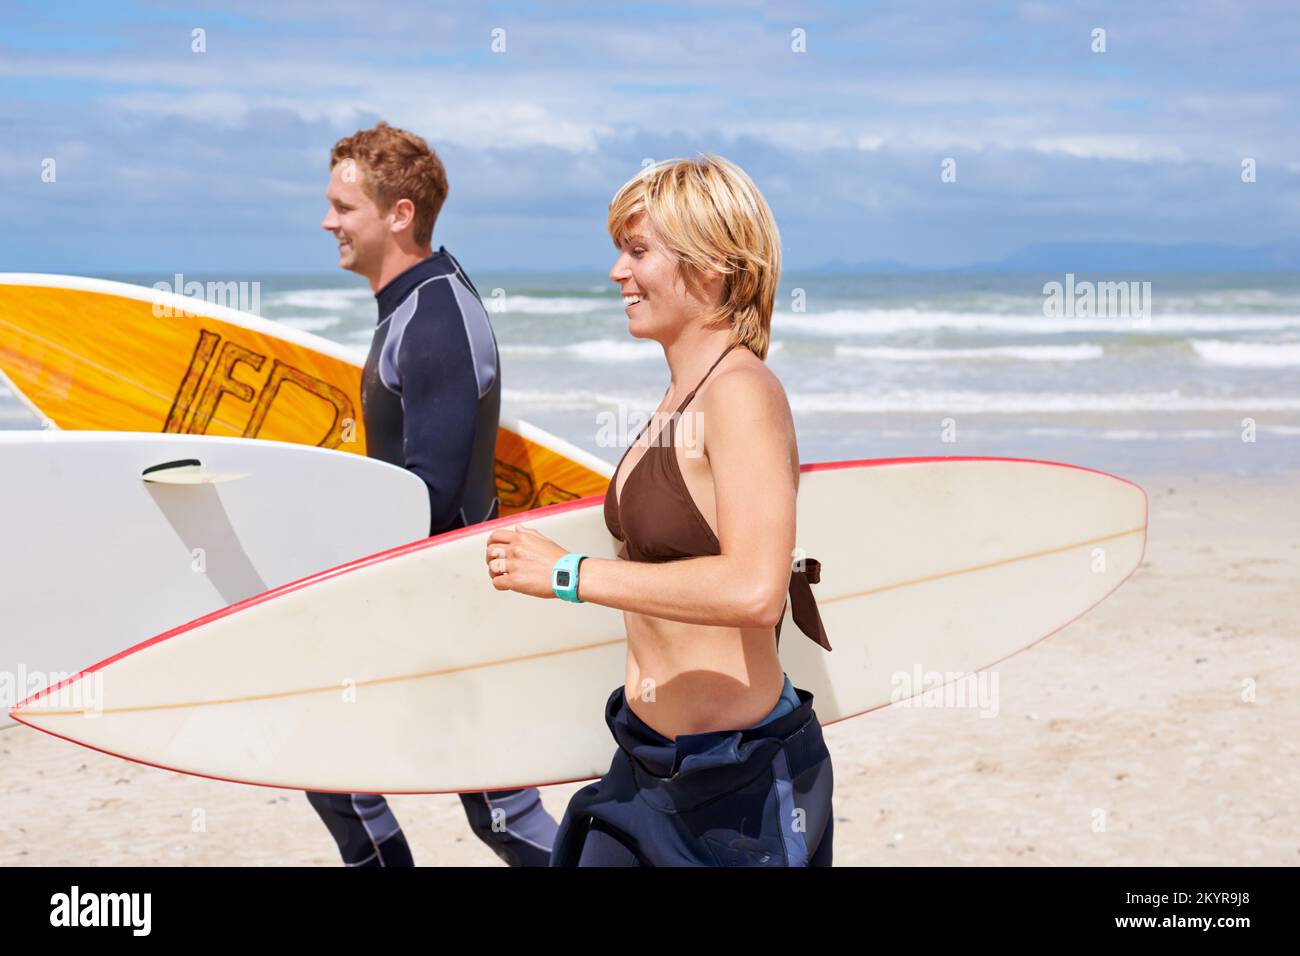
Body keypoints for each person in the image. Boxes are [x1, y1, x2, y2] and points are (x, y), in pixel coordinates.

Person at [484, 155, 834, 866]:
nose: (618, 271)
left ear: (711, 266)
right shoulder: (680, 396)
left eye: (638, 251)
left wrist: (567, 575)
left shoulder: (741, 392)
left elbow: (755, 589)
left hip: (734, 792)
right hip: (645, 765)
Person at [310, 121, 557, 867]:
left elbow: (432, 494)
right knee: (340, 774)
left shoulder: (436, 318)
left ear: (398, 215)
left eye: (343, 207)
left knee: (499, 816)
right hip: (431, 596)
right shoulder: (415, 306)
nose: (328, 222)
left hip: (448, 604)